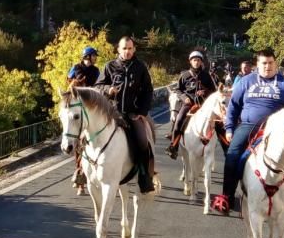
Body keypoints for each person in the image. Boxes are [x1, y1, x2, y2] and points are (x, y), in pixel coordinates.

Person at [211, 48, 284, 220]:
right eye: (264, 63)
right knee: (232, 154)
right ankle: (226, 197)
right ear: (257, 65)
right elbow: (233, 107)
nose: (268, 67)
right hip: (249, 125)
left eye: (271, 63)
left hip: (279, 129)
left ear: (275, 64)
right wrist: (229, 129)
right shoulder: (246, 82)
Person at [94, 36, 155, 193]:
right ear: (118, 50)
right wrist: (108, 90)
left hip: (131, 113)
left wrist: (142, 112)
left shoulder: (140, 67)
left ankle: (144, 175)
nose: (127, 51)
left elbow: (148, 91)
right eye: (124, 48)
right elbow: (97, 86)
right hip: (110, 112)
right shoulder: (110, 66)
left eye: (130, 48)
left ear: (134, 49)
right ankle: (82, 170)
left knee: (143, 142)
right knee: (86, 135)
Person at [166, 50, 217, 159]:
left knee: (219, 122)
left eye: (198, 60)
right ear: (190, 61)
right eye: (194, 60)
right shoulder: (184, 75)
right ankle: (173, 146)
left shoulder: (206, 76)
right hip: (189, 104)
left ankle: (224, 143)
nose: (196, 62)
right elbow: (178, 90)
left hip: (203, 105)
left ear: (201, 62)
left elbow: (214, 91)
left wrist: (205, 92)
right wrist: (184, 98)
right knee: (179, 120)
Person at [66, 46, 99, 190]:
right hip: (79, 106)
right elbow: (69, 81)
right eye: (94, 55)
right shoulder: (76, 67)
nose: (95, 58)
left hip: (92, 106)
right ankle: (79, 171)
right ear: (88, 56)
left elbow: (99, 86)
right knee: (78, 141)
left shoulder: (96, 71)